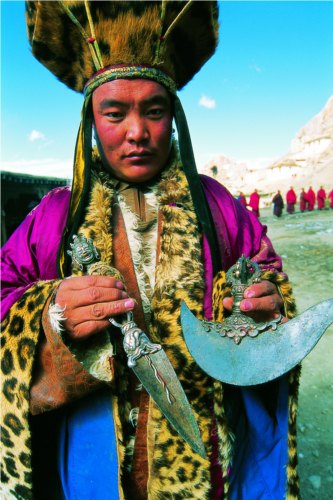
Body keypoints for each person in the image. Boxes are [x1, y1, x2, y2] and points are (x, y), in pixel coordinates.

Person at [1, 2, 300, 499]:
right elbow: (6, 291)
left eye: (154, 111)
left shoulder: (217, 205)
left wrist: (263, 301)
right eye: (114, 113)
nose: (137, 132)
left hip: (201, 452)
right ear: (91, 122)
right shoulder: (56, 215)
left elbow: (267, 273)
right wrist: (49, 312)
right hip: (90, 458)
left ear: (175, 117)